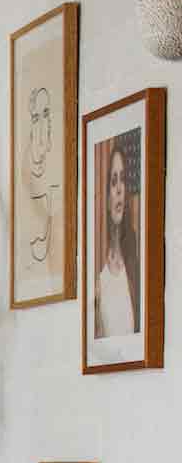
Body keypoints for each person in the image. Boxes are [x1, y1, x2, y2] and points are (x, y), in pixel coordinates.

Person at [94, 139, 141, 339]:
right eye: (113, 182)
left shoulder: (136, 265)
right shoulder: (99, 278)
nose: (119, 189)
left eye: (123, 180)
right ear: (107, 199)